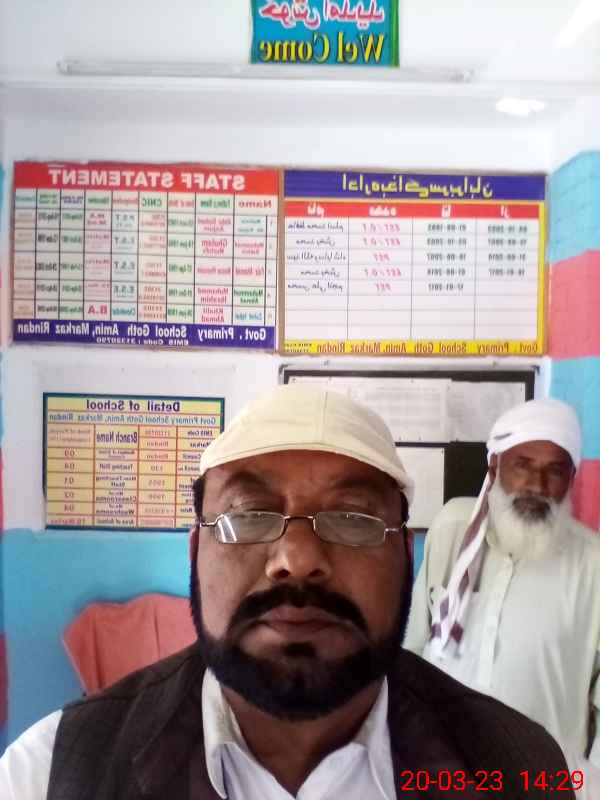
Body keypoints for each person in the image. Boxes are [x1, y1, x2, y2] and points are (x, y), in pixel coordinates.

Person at [1, 386, 575, 799]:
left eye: (352, 518)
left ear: (405, 555)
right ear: (196, 552)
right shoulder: (50, 775)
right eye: (248, 515)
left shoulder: (520, 770)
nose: (297, 561)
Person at [404, 396, 600, 789]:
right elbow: (413, 649)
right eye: (522, 465)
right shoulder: (454, 528)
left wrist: (588, 783)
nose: (537, 485)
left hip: (545, 783)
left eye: (555, 470)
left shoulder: (593, 563)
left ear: (571, 478)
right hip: (439, 775)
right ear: (494, 467)